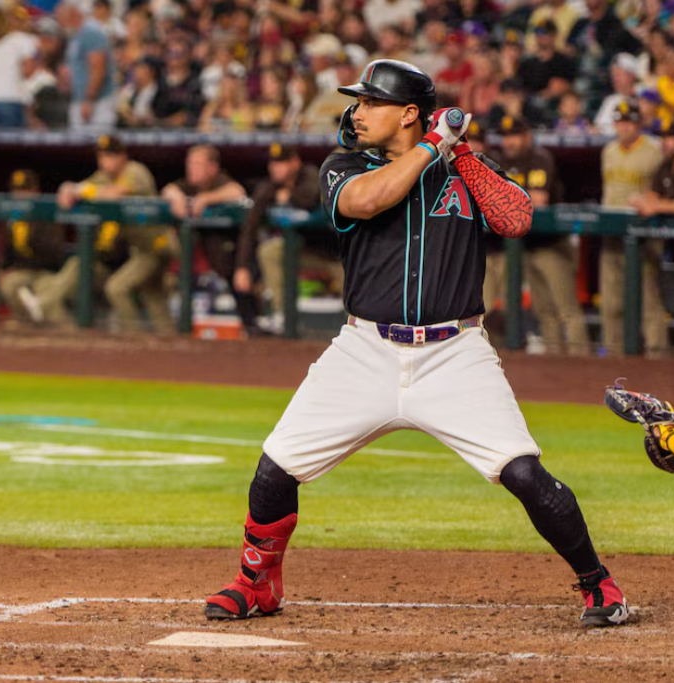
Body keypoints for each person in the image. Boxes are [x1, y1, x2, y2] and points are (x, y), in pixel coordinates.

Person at [205, 59, 629, 628]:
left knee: (524, 472)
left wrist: (465, 155)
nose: (356, 112)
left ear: (407, 113)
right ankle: (257, 584)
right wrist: (433, 145)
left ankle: (598, 584)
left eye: (369, 103)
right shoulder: (344, 165)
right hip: (365, 350)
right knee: (274, 469)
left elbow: (516, 219)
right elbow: (366, 201)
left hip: (456, 352)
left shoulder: (460, 165)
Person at [48, 135, 177, 334]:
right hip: (142, 248)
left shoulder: (135, 170)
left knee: (117, 288)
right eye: (101, 156)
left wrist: (84, 190)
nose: (104, 161)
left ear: (122, 157)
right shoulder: (104, 177)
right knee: (153, 293)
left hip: (158, 244)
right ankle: (170, 339)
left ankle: (134, 336)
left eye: (110, 156)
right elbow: (79, 187)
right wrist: (68, 188)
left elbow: (116, 192)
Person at [491, 116, 588, 355]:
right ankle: (556, 362)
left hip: (551, 244)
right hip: (527, 246)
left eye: (514, 136)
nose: (509, 142)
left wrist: (502, 202)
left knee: (566, 310)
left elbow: (539, 200)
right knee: (544, 311)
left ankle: (582, 362)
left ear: (527, 137)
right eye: (506, 137)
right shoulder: (501, 162)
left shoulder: (540, 158)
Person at [235, 144, 338, 335]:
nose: (276, 168)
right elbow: (250, 227)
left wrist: (288, 198)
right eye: (273, 164)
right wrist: (242, 266)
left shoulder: (310, 174)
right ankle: (282, 314)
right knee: (270, 250)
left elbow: (309, 196)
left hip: (333, 252)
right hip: (304, 251)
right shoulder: (270, 187)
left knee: (353, 297)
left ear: (295, 163)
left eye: (281, 163)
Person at [599, 99, 668, 358]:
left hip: (643, 236)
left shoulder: (654, 150)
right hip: (611, 234)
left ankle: (657, 356)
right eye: (619, 122)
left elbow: (663, 188)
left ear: (639, 123)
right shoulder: (608, 151)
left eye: (628, 122)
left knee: (648, 300)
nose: (623, 127)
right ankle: (614, 358)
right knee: (611, 302)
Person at [0, 169, 67, 324]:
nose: (20, 195)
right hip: (14, 272)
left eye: (25, 190)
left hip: (40, 273)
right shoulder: (11, 217)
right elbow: (7, 253)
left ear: (36, 191)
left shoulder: (46, 215)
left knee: (12, 283)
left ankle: (25, 326)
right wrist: (0, 270)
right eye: (17, 190)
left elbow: (53, 256)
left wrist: (18, 269)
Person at [161, 146, 253, 329]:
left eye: (197, 164)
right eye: (189, 163)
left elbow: (237, 191)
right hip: (197, 265)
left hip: (230, 260)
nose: (191, 168)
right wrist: (176, 196)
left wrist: (205, 199)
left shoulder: (219, 181)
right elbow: (168, 189)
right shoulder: (189, 184)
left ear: (212, 167)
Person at [631, 121, 674, 311]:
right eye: (662, 138)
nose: (665, 143)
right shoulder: (665, 166)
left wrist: (658, 206)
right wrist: (640, 200)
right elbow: (652, 197)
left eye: (671, 138)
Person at [57, 0, 117, 130]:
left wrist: (89, 100)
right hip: (80, 100)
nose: (59, 22)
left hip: (98, 102)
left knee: (97, 145)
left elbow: (98, 69)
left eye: (60, 17)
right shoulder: (76, 35)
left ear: (72, 14)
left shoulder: (91, 33)